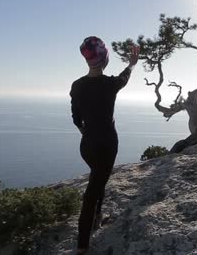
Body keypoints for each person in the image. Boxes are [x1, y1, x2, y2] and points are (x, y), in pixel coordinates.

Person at [70, 36, 139, 254]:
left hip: (87, 146)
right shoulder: (110, 84)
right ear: (105, 59)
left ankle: (98, 217)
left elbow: (76, 118)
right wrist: (132, 63)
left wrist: (87, 132)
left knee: (98, 179)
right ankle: (82, 246)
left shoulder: (77, 85)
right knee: (92, 191)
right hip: (107, 145)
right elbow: (124, 78)